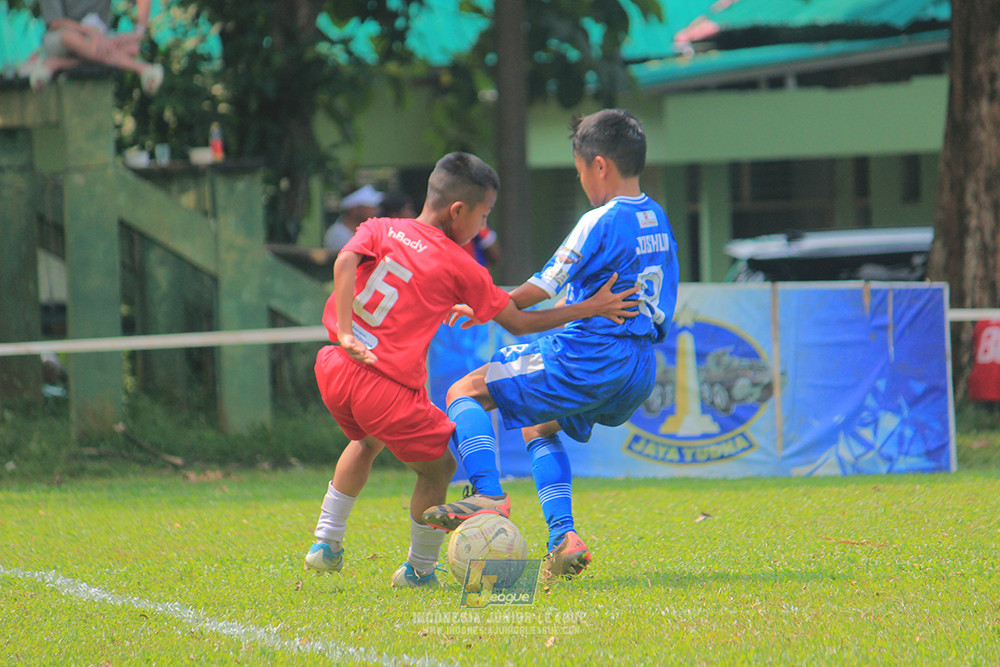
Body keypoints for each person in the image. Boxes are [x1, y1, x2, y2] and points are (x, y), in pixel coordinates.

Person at [304, 151, 640, 588]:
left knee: (365, 441)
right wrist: (589, 308)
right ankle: (420, 570)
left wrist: (347, 332)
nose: (483, 228)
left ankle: (326, 542)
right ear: (458, 210)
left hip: (335, 362)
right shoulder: (460, 263)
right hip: (383, 385)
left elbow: (344, 261)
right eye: (483, 216)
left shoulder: (381, 227)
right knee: (439, 465)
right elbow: (519, 322)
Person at [423, 109, 679, 581]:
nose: (580, 179)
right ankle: (563, 540)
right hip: (639, 368)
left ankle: (487, 494)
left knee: (464, 392)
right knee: (539, 427)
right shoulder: (656, 216)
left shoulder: (599, 220)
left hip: (591, 356)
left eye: (579, 168)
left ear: (598, 165)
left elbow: (543, 286)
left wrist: (485, 301)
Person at [22, 0, 164, 95]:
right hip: (61, 39)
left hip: (97, 42)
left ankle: (57, 64)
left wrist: (137, 33)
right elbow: (55, 23)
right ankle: (140, 68)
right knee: (70, 38)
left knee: (132, 47)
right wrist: (90, 32)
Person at [323, 185, 383, 256]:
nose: (375, 212)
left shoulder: (367, 232)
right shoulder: (337, 234)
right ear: (354, 210)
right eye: (370, 207)